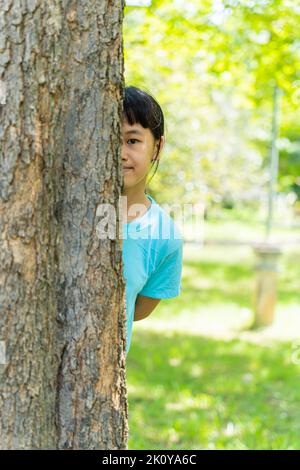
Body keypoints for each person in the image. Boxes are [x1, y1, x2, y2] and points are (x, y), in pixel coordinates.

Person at [121, 85, 183, 356]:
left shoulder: (164, 237)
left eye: (132, 140)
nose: (120, 152)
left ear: (157, 147)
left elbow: (136, 309)